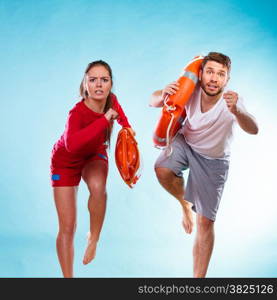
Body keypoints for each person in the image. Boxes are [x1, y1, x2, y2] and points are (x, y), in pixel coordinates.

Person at [149, 52, 258, 277]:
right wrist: (163, 93)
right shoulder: (191, 90)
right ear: (201, 73)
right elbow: (152, 100)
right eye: (210, 72)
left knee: (206, 223)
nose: (214, 78)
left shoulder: (232, 102)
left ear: (227, 79)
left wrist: (237, 111)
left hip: (214, 161)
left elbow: (254, 128)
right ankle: (184, 204)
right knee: (161, 169)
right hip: (186, 143)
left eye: (220, 74)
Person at [50, 60, 134, 278]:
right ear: (85, 84)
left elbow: (126, 125)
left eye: (104, 80)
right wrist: (105, 119)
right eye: (93, 79)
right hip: (65, 161)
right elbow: (72, 145)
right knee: (67, 227)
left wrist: (131, 146)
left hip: (94, 154)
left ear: (110, 84)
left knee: (98, 186)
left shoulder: (112, 101)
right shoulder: (76, 113)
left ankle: (93, 239)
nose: (99, 85)